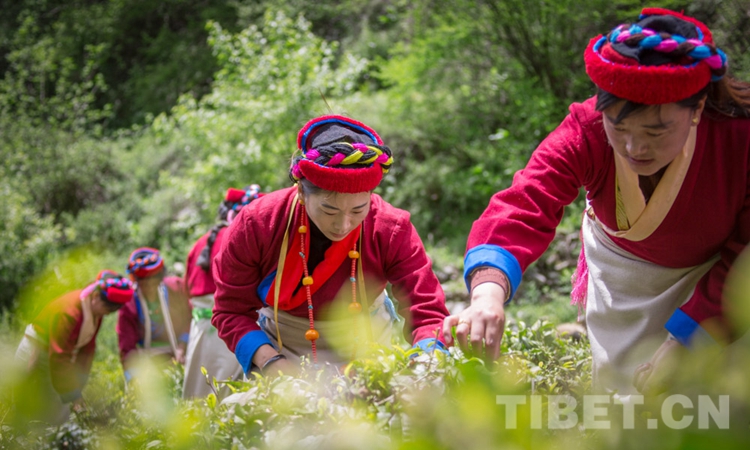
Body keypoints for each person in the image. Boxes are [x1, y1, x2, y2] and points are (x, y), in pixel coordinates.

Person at [445, 7, 750, 396]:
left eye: (656, 132)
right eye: (618, 127)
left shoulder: (739, 139)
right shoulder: (586, 129)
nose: (634, 148)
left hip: (722, 287)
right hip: (623, 285)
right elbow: (525, 203)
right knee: (626, 404)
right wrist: (487, 292)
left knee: (720, 404)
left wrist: (691, 337)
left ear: (698, 109)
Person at [212, 115, 450, 376]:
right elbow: (230, 311)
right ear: (301, 192)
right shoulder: (258, 222)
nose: (343, 225)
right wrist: (271, 363)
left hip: (367, 347)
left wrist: (427, 362)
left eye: (358, 210)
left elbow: (427, 311)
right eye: (329, 210)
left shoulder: (390, 228)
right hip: (280, 348)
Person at [14, 270, 134, 424]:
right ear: (96, 296)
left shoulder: (95, 312)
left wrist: (79, 382)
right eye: (108, 309)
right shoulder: (70, 312)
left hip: (59, 358)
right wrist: (73, 394)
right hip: (38, 351)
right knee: (29, 405)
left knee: (58, 413)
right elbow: (59, 356)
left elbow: (87, 348)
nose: (108, 314)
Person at [182, 185, 264, 398]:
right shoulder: (246, 238)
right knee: (229, 390)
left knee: (198, 386)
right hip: (235, 323)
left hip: (200, 327)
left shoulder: (200, 243)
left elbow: (186, 289)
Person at [117, 247, 192, 382]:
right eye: (145, 284)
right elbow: (127, 348)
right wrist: (134, 379)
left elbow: (190, 318)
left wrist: (182, 347)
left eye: (154, 283)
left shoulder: (176, 288)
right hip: (146, 363)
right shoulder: (129, 305)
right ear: (136, 281)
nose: (150, 288)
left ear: (161, 278)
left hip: (180, 356)